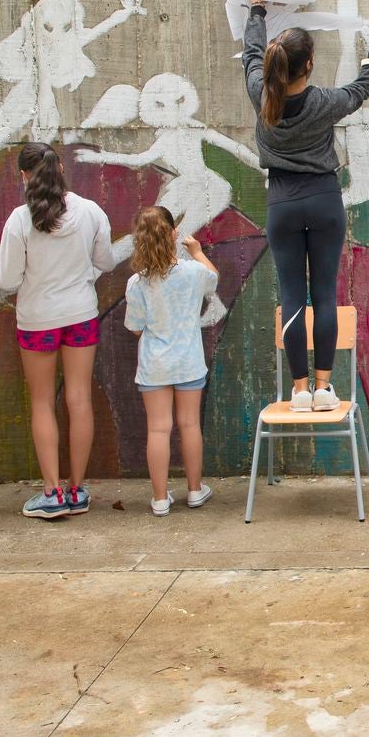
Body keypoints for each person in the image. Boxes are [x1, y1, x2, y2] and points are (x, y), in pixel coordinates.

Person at [243, 0, 369, 412]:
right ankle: (325, 389)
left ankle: (299, 390)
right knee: (324, 293)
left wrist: (256, 8)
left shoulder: (260, 94)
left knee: (292, 295)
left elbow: (252, 52)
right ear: (309, 64)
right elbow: (362, 87)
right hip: (323, 198)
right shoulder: (323, 103)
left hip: (282, 201)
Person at [0, 142, 116, 519]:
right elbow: (106, 261)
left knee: (43, 402)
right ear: (61, 168)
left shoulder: (19, 220)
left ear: (23, 175)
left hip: (37, 321)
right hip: (81, 315)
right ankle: (77, 490)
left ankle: (51, 494)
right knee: (79, 398)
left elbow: (8, 280)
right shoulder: (91, 211)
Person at [124, 206, 218, 516]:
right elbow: (213, 279)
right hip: (188, 360)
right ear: (174, 234)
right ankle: (194, 490)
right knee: (189, 424)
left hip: (155, 365)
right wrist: (198, 251)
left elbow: (135, 326)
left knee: (158, 430)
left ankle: (161, 498)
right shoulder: (193, 272)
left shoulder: (137, 283)